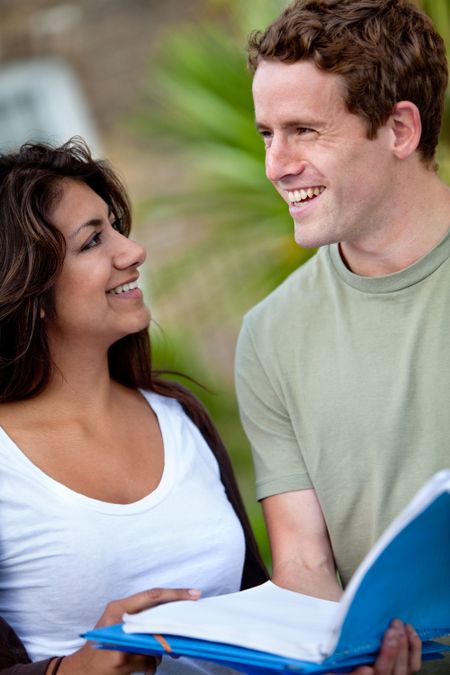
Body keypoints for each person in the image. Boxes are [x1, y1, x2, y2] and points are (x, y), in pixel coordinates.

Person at [235, 1, 450, 673]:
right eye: (267, 133)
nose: (277, 164)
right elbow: (303, 559)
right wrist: (347, 662)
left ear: (399, 128)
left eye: (303, 130)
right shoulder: (269, 335)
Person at [0, 138, 267, 675]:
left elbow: (260, 606)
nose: (132, 250)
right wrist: (70, 670)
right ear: (28, 283)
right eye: (93, 240)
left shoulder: (180, 415)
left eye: (115, 227)